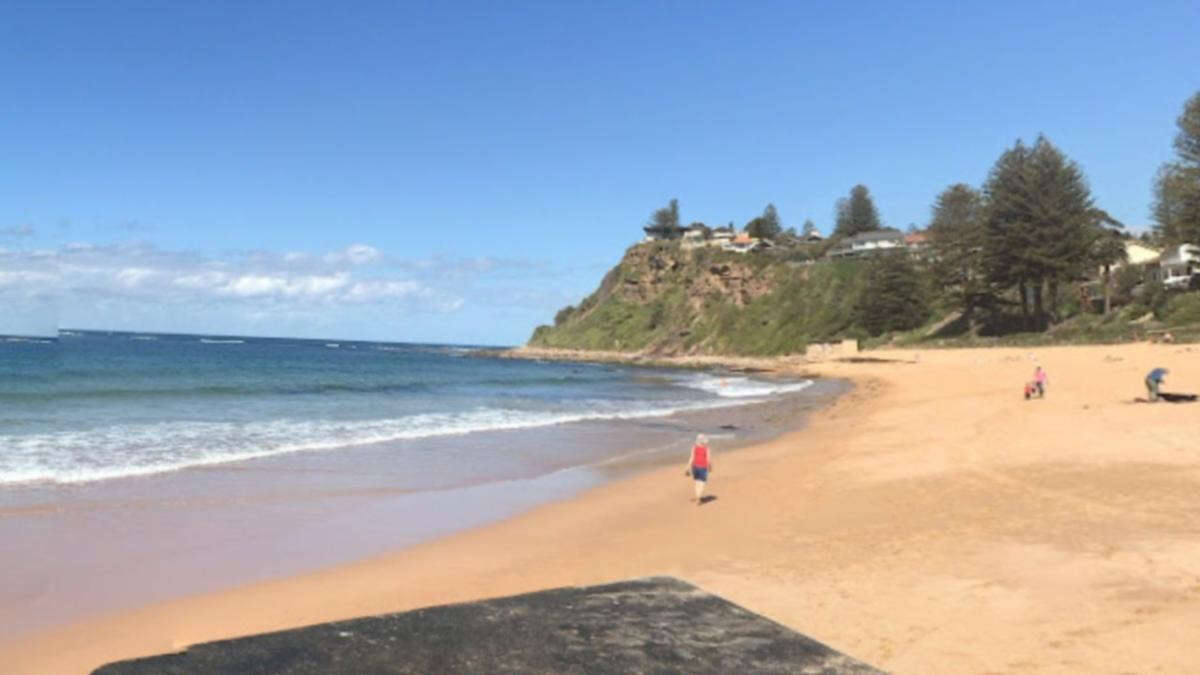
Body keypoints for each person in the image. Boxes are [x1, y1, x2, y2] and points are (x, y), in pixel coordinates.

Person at [685, 434, 712, 503]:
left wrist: (687, 467)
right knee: (702, 483)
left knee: (697, 482)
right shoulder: (707, 449)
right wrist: (710, 467)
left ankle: (697, 496)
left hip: (695, 466)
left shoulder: (694, 447)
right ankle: (699, 497)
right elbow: (708, 459)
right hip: (703, 467)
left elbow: (691, 458)